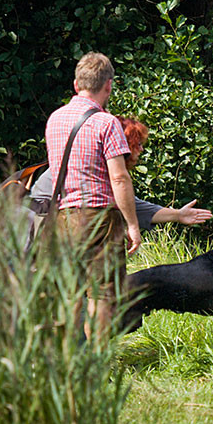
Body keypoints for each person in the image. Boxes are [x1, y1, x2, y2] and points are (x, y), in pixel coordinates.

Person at [44, 51, 140, 342]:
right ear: (108, 85)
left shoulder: (55, 119)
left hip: (63, 218)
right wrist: (133, 225)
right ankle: (97, 364)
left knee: (70, 292)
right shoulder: (107, 123)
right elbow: (119, 177)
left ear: (76, 84)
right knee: (102, 294)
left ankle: (69, 361)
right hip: (100, 219)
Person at [28, 116, 212, 233]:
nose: (141, 150)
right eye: (137, 144)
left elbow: (132, 204)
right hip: (36, 227)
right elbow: (130, 204)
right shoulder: (97, 168)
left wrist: (178, 215)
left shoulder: (98, 163)